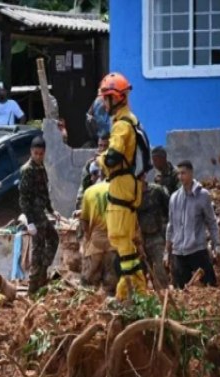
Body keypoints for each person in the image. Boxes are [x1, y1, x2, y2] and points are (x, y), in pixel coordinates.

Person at [96, 72, 147, 301]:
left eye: (106, 98)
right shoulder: (130, 121)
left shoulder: (121, 127)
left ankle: (130, 291)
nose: (103, 103)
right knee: (123, 241)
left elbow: (112, 158)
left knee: (119, 238)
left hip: (122, 185)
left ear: (115, 98)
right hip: (129, 185)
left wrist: (99, 160)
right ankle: (132, 291)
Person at [164, 161, 220, 288]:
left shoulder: (202, 195)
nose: (180, 177)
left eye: (183, 173)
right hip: (178, 253)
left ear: (191, 173)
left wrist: (217, 246)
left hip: (197, 251)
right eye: (179, 174)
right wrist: (166, 252)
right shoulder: (174, 198)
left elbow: (211, 222)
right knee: (182, 293)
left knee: (209, 289)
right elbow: (171, 226)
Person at [19, 135, 60, 295]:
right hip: (34, 218)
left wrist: (51, 210)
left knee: (53, 239)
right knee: (37, 252)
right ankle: (32, 290)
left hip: (42, 216)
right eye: (35, 153)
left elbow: (44, 193)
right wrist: (30, 222)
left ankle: (43, 272)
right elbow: (24, 199)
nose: (38, 156)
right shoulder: (27, 170)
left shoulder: (41, 168)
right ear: (31, 152)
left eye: (41, 153)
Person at [80, 181, 118, 296]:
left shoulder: (89, 192)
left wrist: (87, 239)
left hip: (95, 241)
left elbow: (84, 221)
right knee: (111, 282)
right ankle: (108, 306)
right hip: (114, 241)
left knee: (89, 282)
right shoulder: (119, 190)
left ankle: (86, 309)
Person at [136, 176, 170, 289]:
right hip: (140, 240)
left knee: (160, 272)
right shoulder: (132, 196)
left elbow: (169, 211)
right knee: (140, 275)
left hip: (156, 237)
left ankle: (165, 297)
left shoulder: (157, 191)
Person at [75, 134, 109, 211]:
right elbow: (83, 190)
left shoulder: (115, 166)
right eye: (100, 145)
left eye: (106, 146)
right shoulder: (90, 165)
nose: (102, 149)